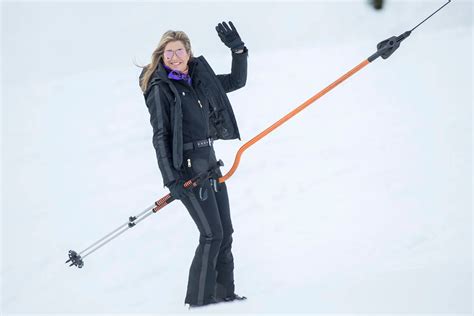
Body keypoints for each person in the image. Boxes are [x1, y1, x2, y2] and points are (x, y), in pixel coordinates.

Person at [138, 21, 248, 308]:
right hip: (188, 167)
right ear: (162, 56)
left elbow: (236, 82)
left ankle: (225, 295)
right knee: (211, 233)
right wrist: (172, 180)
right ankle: (200, 302)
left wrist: (238, 51)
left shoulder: (200, 80)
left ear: (188, 53)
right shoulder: (161, 88)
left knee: (225, 231)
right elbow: (160, 135)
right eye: (168, 53)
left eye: (178, 51)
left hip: (210, 162)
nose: (174, 57)